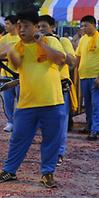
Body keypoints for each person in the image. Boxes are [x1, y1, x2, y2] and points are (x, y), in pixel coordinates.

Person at [0, 11, 67, 189]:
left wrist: (40, 42)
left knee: (51, 139)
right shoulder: (18, 46)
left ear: (35, 27)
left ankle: (47, 173)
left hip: (52, 101)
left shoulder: (51, 41)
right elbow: (15, 62)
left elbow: (60, 59)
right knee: (18, 138)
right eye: (19, 26)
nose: (21, 29)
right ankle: (9, 170)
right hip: (27, 103)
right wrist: (10, 50)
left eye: (26, 26)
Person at [37, 15, 77, 162]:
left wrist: (56, 52)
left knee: (60, 122)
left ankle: (59, 153)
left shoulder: (62, 41)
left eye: (44, 26)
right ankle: (49, 152)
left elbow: (72, 61)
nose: (41, 29)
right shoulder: (36, 43)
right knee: (45, 123)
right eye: (39, 27)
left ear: (52, 27)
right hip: (43, 87)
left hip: (60, 86)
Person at [76, 15, 99, 141]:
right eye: (82, 26)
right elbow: (78, 57)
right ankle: (90, 125)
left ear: (94, 25)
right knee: (88, 104)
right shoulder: (83, 40)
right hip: (84, 76)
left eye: (86, 25)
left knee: (97, 104)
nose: (83, 28)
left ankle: (96, 130)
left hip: (96, 77)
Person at [0, 14, 20, 133]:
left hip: (20, 74)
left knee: (21, 100)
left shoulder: (21, 38)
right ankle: (10, 121)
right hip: (6, 74)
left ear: (15, 25)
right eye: (5, 24)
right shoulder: (4, 38)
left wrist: (9, 49)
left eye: (8, 24)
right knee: (8, 100)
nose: (6, 26)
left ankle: (20, 122)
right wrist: (10, 48)